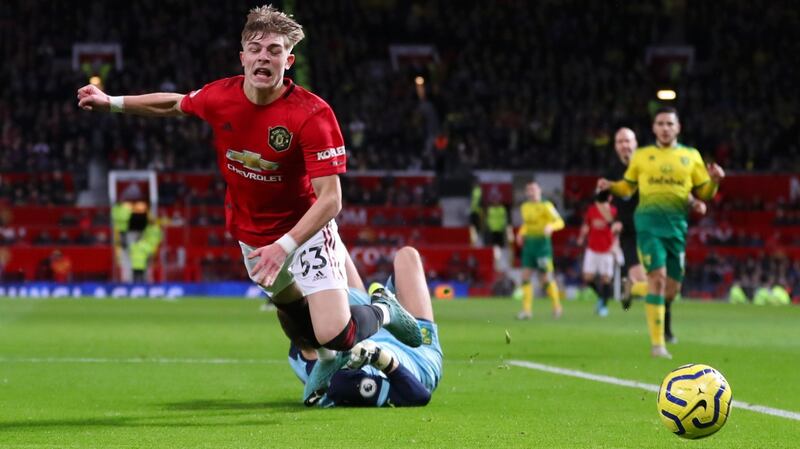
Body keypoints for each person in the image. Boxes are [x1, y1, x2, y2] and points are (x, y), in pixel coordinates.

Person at [77, 5, 421, 370]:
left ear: (288, 61)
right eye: (256, 49)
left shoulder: (312, 115)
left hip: (305, 233)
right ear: (242, 58)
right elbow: (173, 104)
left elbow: (331, 200)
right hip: (252, 235)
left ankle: (383, 309)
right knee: (295, 322)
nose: (264, 57)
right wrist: (110, 102)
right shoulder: (221, 97)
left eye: (274, 50)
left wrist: (284, 245)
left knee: (334, 333)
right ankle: (323, 362)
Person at [598, 107, 724, 358]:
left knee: (671, 290)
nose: (665, 128)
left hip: (676, 227)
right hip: (647, 225)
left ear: (678, 128)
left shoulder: (691, 156)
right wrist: (611, 187)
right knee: (657, 279)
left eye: (669, 124)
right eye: (660, 123)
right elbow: (627, 187)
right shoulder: (642, 156)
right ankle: (658, 345)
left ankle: (632, 289)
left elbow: (705, 192)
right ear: (654, 128)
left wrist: (716, 180)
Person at [281, 247, 443, 407]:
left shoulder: (297, 351)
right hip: (416, 355)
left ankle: (383, 309)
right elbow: (419, 395)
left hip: (366, 330)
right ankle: (385, 308)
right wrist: (379, 357)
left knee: (323, 243)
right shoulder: (342, 381)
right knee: (408, 256)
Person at [515, 181, 565, 320]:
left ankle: (557, 307)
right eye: (529, 190)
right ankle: (526, 311)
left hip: (542, 245)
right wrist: (520, 233)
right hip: (529, 244)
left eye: (534, 189)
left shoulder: (546, 206)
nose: (532, 192)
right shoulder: (524, 207)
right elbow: (526, 224)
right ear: (526, 193)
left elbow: (560, 222)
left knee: (545, 278)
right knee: (525, 276)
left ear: (539, 191)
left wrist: (550, 227)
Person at [576, 193, 620, 317]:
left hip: (607, 249)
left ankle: (603, 306)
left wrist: (615, 245)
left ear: (610, 198)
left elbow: (617, 230)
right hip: (592, 249)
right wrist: (581, 237)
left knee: (606, 278)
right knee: (587, 277)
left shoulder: (613, 211)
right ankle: (601, 296)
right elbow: (586, 225)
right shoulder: (592, 210)